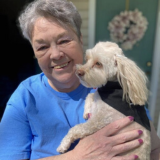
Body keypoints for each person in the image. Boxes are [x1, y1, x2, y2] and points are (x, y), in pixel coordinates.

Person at [0, 0, 160, 159]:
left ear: (80, 40)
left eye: (64, 41)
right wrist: (77, 156)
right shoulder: (26, 96)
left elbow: (154, 150)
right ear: (34, 53)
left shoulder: (116, 89)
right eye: (42, 47)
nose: (55, 55)